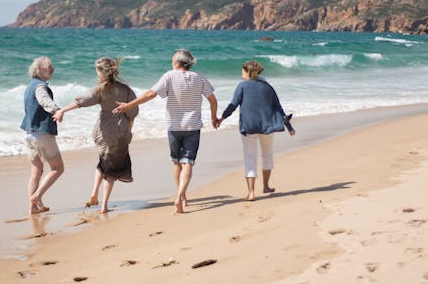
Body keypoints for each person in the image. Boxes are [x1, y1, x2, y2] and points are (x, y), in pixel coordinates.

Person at [113, 49, 217, 214]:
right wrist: (214, 118)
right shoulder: (199, 78)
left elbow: (151, 94)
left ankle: (181, 197)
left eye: (172, 60)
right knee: (188, 163)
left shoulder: (169, 76)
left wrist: (129, 105)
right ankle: (180, 196)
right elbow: (212, 100)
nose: (171, 63)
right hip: (193, 127)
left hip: (173, 126)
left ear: (177, 63)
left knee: (176, 162)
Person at [54, 58, 138, 214]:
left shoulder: (100, 89)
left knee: (103, 162)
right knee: (111, 170)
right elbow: (133, 114)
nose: (97, 74)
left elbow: (81, 102)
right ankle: (104, 206)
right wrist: (128, 133)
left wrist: (62, 110)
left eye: (97, 71)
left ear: (102, 72)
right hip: (120, 134)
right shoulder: (126, 90)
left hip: (103, 132)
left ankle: (94, 193)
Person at [215, 60, 295, 201]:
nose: (241, 75)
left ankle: (251, 192)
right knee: (267, 156)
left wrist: (221, 118)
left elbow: (233, 105)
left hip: (249, 127)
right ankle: (266, 186)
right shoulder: (267, 87)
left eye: (242, 72)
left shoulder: (242, 86)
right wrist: (289, 126)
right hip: (267, 128)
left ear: (248, 71)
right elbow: (279, 108)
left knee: (250, 159)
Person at [21, 56, 64, 215]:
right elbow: (44, 101)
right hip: (41, 135)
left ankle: (32, 209)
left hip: (29, 134)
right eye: (49, 67)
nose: (52, 69)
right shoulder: (39, 86)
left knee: (36, 171)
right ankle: (37, 197)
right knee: (58, 168)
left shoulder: (29, 87)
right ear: (39, 70)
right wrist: (57, 110)